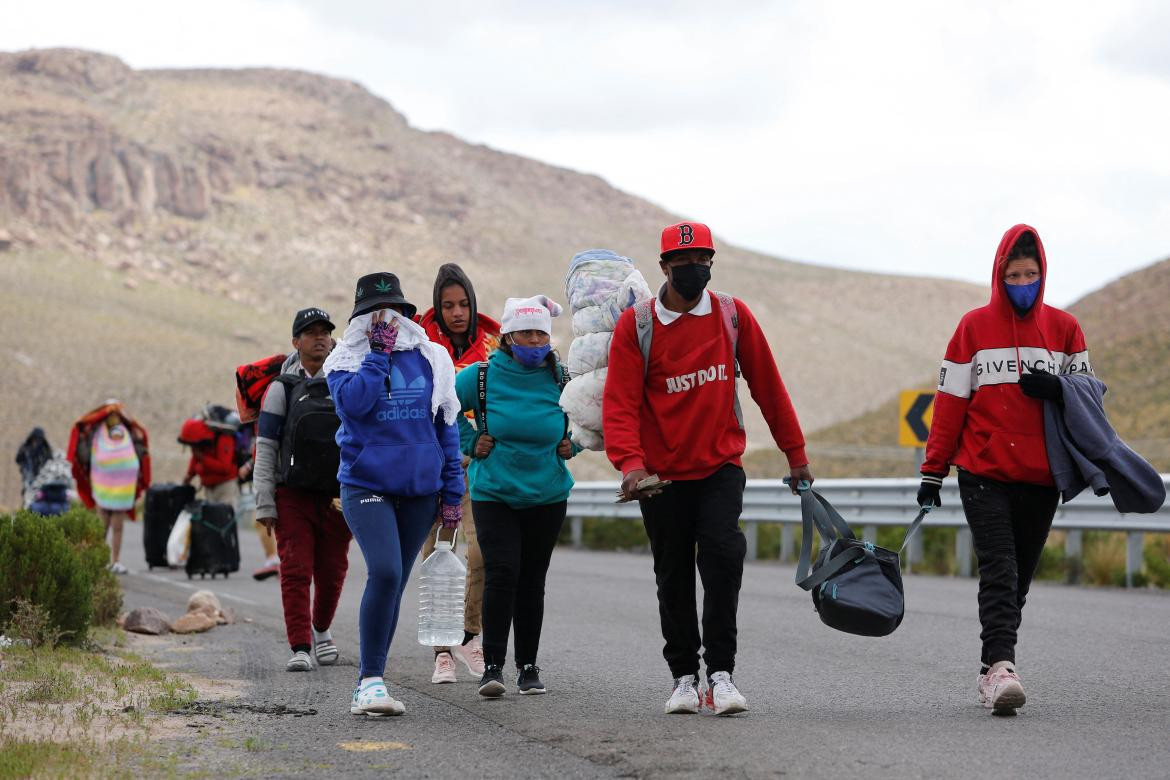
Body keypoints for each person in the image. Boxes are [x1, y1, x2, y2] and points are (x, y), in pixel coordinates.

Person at [603, 221, 812, 716]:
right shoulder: (638, 326)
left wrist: (796, 454)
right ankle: (683, 678)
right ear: (664, 268)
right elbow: (620, 405)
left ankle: (721, 674)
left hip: (720, 466)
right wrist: (630, 465)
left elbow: (768, 386)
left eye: (703, 260)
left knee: (722, 560)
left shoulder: (732, 316)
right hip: (661, 477)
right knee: (672, 573)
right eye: (684, 262)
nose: (695, 269)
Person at [918, 224, 1092, 716]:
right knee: (1000, 569)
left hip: (1042, 475)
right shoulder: (972, 328)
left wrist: (1059, 389)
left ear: (1043, 274)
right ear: (999, 275)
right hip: (983, 471)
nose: (1023, 282)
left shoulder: (1065, 329)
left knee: (1019, 580)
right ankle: (1002, 667)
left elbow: (1091, 400)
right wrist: (934, 470)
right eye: (1014, 274)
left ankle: (989, 666)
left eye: (1031, 273)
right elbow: (949, 403)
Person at [324, 272, 464, 717]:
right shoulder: (344, 360)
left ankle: (375, 679)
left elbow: (445, 428)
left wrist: (452, 493)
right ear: (360, 319)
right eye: (373, 312)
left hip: (421, 490)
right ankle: (368, 683)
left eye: (394, 310)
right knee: (384, 573)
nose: (385, 319)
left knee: (395, 584)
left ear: (406, 313)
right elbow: (356, 405)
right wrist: (377, 356)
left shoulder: (432, 357)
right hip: (365, 484)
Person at [454, 295, 578, 697]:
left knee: (532, 580)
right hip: (494, 492)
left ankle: (528, 666)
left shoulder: (563, 376)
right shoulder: (481, 377)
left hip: (548, 493)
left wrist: (572, 445)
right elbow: (442, 407)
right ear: (508, 337)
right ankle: (493, 666)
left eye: (541, 333)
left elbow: (593, 414)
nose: (535, 340)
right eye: (526, 333)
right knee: (502, 571)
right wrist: (471, 441)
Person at [254, 307, 353, 672]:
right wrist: (265, 502)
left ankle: (322, 631)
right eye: (310, 333)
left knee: (333, 570)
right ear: (296, 342)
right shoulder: (281, 388)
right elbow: (265, 446)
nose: (320, 338)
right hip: (291, 494)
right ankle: (300, 646)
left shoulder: (349, 376)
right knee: (295, 569)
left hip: (339, 495)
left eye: (325, 331)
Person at [418, 263, 501, 683]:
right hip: (427, 469)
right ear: (438, 306)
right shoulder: (417, 343)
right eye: (448, 305)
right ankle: (440, 652)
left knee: (481, 552)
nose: (456, 312)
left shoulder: (494, 344)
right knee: (436, 555)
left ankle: (469, 636)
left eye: (464, 304)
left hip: (474, 468)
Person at [67, 400, 152, 573]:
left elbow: (138, 451)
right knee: (105, 525)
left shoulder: (118, 433)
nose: (113, 418)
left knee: (113, 526)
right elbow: (85, 456)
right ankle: (103, 560)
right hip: (107, 486)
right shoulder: (98, 434)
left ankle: (112, 560)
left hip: (116, 487)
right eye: (111, 415)